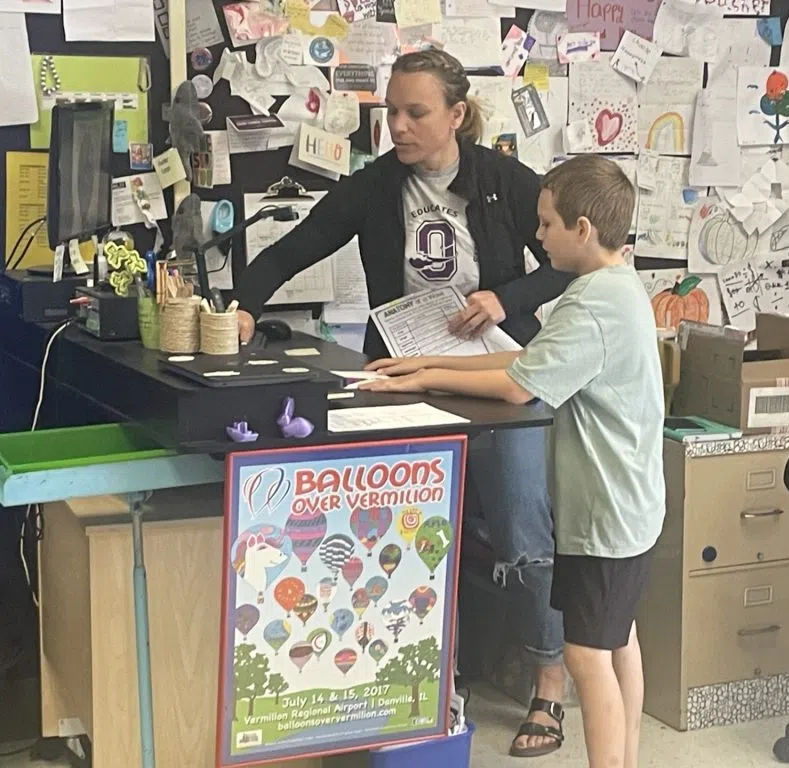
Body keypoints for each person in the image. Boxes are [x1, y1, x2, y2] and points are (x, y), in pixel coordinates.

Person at [232, 49, 573, 758]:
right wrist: (241, 305)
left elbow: (572, 261)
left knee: (521, 533)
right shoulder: (376, 185)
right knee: (401, 539)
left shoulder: (505, 180)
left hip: (499, 383)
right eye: (390, 111)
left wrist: (504, 297)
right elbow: (297, 245)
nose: (398, 126)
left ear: (456, 114)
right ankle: (421, 679)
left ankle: (550, 678)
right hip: (407, 379)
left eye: (416, 112)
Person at [361, 155, 666, 768]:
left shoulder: (589, 305)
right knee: (619, 640)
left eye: (548, 225)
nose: (538, 236)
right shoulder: (615, 286)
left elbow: (517, 388)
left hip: (604, 513)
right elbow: (520, 362)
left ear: (582, 230)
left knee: (585, 657)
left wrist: (422, 381)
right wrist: (423, 368)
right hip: (632, 506)